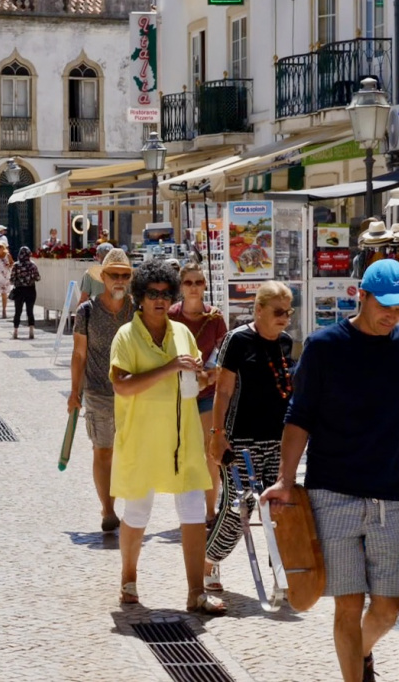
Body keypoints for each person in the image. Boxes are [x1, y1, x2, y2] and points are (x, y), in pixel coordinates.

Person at [261, 258, 399, 682]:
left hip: (389, 495)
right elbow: (299, 415)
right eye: (386, 305)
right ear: (360, 295)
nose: (393, 315)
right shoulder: (324, 346)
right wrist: (286, 481)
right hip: (332, 492)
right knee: (348, 604)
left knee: (387, 607)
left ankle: (359, 654)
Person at [109, 259, 222, 614]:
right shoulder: (126, 336)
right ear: (139, 297)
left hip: (182, 440)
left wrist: (206, 377)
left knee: (192, 512)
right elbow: (123, 387)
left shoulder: (182, 334)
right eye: (151, 293)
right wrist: (171, 367)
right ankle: (129, 576)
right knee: (138, 512)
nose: (159, 299)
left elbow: (195, 381)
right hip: (142, 439)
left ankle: (195, 593)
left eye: (164, 293)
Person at [203, 281, 294, 594]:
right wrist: (217, 434)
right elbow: (223, 390)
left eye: (288, 312)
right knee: (238, 507)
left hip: (276, 440)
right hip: (240, 441)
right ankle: (210, 560)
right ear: (259, 309)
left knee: (277, 510)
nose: (284, 317)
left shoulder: (286, 343)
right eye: (278, 311)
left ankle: (279, 577)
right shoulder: (237, 340)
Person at [69, 248, 136, 532]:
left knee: (132, 452)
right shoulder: (87, 311)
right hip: (98, 391)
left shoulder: (138, 309)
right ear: (104, 277)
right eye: (114, 275)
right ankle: (108, 510)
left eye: (124, 275)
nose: (119, 280)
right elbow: (79, 354)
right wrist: (75, 393)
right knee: (103, 451)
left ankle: (132, 507)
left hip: (134, 392)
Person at [169, 262, 228, 510]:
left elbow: (224, 357)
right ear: (181, 286)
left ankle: (210, 508)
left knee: (209, 451)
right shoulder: (170, 315)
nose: (194, 287)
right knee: (181, 449)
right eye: (188, 282)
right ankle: (186, 506)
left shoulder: (214, 317)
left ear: (205, 285)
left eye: (199, 282)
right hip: (177, 393)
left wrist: (209, 376)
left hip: (206, 392)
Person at [10, 245, 41, 340]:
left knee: (18, 311)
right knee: (30, 311)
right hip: (30, 289)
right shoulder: (32, 265)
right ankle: (31, 331)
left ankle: (15, 331)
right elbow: (38, 278)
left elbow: (12, 279)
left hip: (19, 290)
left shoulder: (16, 265)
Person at [77, 242, 115, 307]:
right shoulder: (123, 273)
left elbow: (83, 299)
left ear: (97, 256)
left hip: (96, 313)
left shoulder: (90, 273)